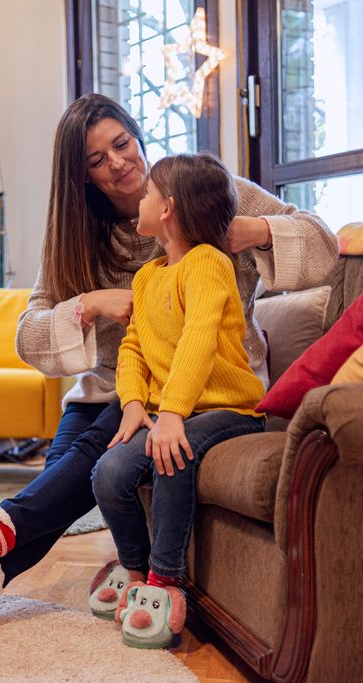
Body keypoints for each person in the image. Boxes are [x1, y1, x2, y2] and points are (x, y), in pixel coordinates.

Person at [0, 93, 337, 639]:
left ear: (138, 136)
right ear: (81, 178)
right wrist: (89, 304)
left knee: (85, 460)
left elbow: (323, 246)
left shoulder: (204, 192)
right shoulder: (77, 235)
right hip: (106, 393)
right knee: (65, 477)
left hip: (191, 392)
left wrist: (252, 230)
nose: (118, 164)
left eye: (121, 144)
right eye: (97, 161)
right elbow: (28, 338)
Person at [89, 153, 265, 649]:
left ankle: (166, 582)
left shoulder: (210, 263)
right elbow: (133, 347)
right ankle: (137, 569)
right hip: (172, 410)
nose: (138, 199)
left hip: (230, 409)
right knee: (109, 473)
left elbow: (199, 338)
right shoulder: (146, 278)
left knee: (173, 454)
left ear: (166, 208)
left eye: (147, 193)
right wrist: (130, 403)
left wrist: (172, 415)